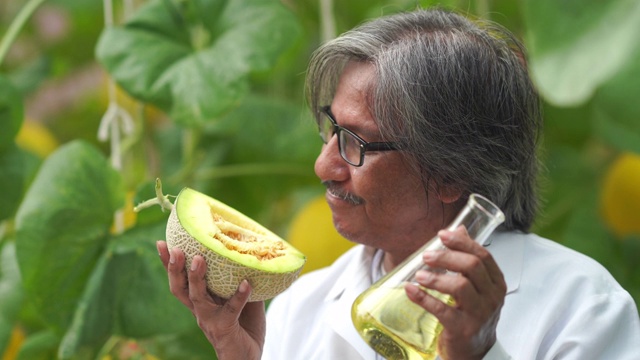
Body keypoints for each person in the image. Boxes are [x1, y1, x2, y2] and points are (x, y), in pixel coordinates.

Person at [156, 7, 640, 360]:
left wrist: (479, 355)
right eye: (330, 130)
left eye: (356, 143)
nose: (324, 167)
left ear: (450, 171)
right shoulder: (300, 306)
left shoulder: (582, 307)